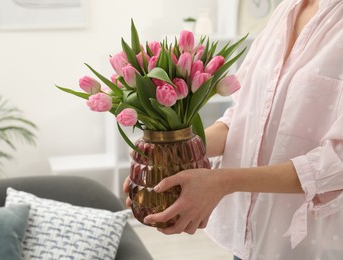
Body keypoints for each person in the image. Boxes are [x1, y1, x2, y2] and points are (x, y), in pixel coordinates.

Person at [123, 0, 343, 259]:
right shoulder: (285, 10)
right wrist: (173, 155)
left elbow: (336, 164)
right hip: (249, 239)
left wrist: (222, 182)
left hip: (313, 244)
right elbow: (241, 118)